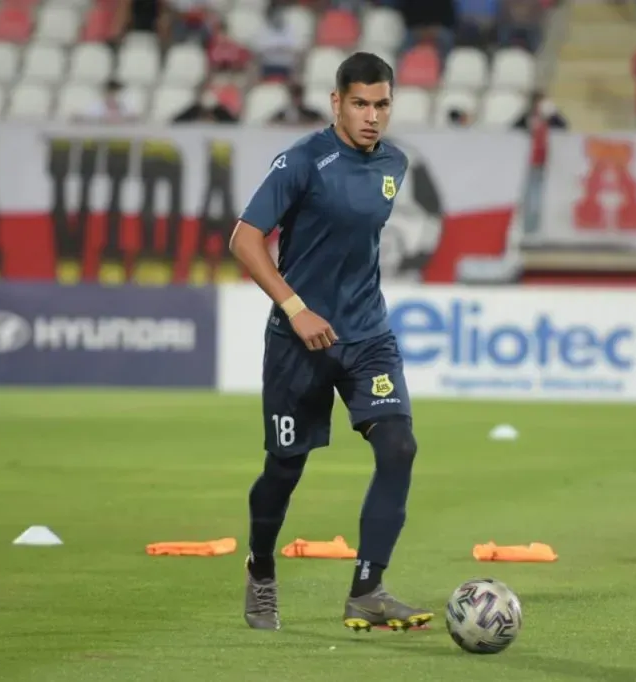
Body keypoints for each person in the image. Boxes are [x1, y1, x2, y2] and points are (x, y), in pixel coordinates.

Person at [228, 52, 432, 633]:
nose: (372, 116)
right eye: (361, 103)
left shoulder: (395, 162)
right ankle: (261, 569)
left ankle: (368, 590)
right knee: (284, 468)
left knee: (399, 447)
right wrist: (295, 308)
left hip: (367, 335)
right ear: (336, 102)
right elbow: (244, 240)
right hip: (299, 341)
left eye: (382, 104)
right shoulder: (302, 161)